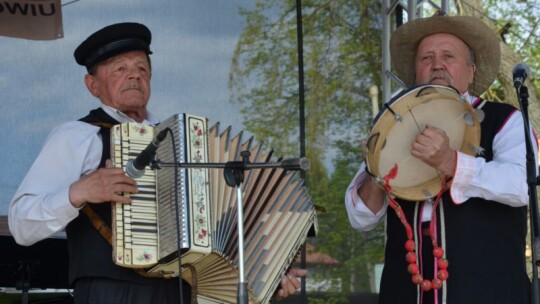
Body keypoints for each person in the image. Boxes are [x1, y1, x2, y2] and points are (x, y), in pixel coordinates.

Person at [9, 22, 306, 304]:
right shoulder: (77, 136)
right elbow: (21, 224)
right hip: (111, 292)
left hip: (179, 291)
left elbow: (218, 232)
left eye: (141, 68)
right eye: (120, 69)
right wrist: (79, 192)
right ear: (92, 85)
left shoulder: (185, 144)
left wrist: (266, 274)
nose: (134, 75)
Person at [345, 14, 537, 304]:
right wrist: (376, 168)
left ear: (471, 71)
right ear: (415, 72)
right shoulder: (392, 124)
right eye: (426, 58)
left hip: (491, 291)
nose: (437, 64)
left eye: (449, 56)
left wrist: (451, 162)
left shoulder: (506, 120)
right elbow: (360, 217)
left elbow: (523, 186)